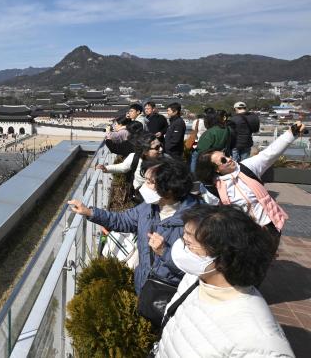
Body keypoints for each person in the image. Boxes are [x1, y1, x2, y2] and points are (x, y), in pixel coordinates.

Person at [154, 204, 293, 357]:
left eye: (188, 244)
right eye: (183, 238)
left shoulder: (259, 342)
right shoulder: (196, 279)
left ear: (224, 258)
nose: (180, 248)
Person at [68, 157, 197, 296]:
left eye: (150, 182)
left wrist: (164, 251)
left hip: (170, 294)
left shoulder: (196, 222)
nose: (144, 187)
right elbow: (122, 220)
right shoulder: (148, 207)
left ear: (169, 190)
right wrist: (90, 212)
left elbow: (197, 268)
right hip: (144, 286)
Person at [195, 122, 305, 258]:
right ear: (216, 169)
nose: (229, 159)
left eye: (226, 155)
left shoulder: (246, 168)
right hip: (242, 232)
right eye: (223, 160)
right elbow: (212, 213)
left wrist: (290, 134)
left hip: (269, 226)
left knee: (265, 259)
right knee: (247, 262)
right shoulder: (213, 188)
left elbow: (269, 154)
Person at [96, 133, 163, 200]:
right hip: (141, 195)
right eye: (157, 147)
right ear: (145, 151)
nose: (161, 149)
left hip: (160, 195)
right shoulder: (134, 158)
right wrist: (106, 168)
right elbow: (122, 167)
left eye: (161, 145)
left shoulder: (165, 160)